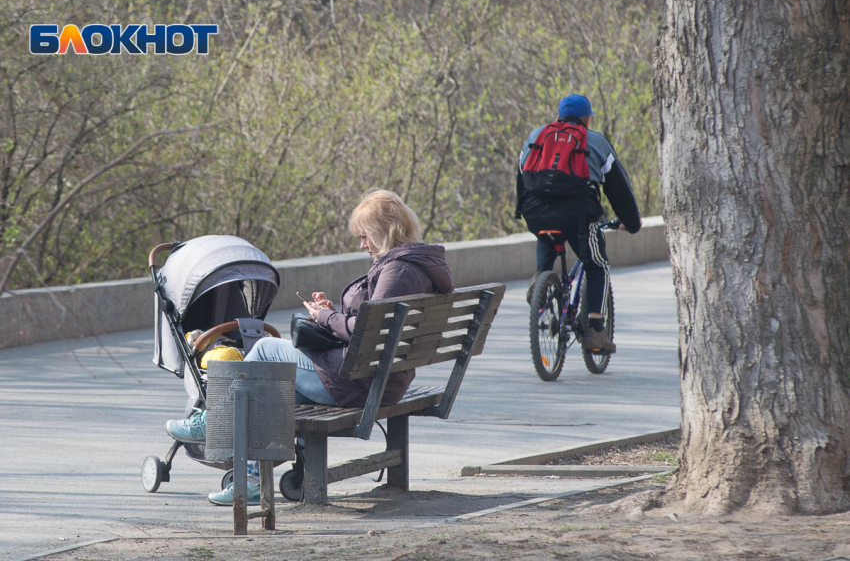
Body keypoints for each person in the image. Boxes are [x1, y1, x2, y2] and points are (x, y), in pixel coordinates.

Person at [166, 188, 454, 505]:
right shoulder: (414, 265)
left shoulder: (398, 270)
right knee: (267, 389)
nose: (362, 245)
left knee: (263, 350)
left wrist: (327, 317)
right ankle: (250, 479)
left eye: (365, 236)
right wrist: (334, 314)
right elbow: (375, 322)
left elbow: (371, 331)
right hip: (379, 376)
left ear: (385, 230)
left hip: (363, 383)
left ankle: (212, 419)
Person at [515, 94, 642, 354]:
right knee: (597, 266)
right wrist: (631, 222)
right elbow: (618, 188)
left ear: (559, 115)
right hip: (578, 218)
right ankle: (595, 330)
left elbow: (522, 173)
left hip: (536, 213)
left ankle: (541, 279)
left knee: (547, 233)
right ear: (587, 118)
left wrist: (525, 210)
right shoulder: (595, 141)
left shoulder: (536, 136)